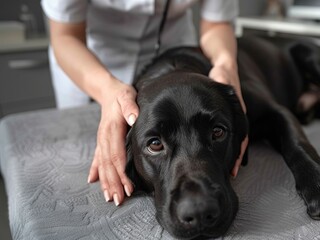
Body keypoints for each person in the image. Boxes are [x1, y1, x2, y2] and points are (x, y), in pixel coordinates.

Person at [41, 0, 248, 206]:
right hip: (92, 65)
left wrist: (225, 63)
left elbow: (216, 24)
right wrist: (107, 91)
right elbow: (65, 35)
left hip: (173, 53)